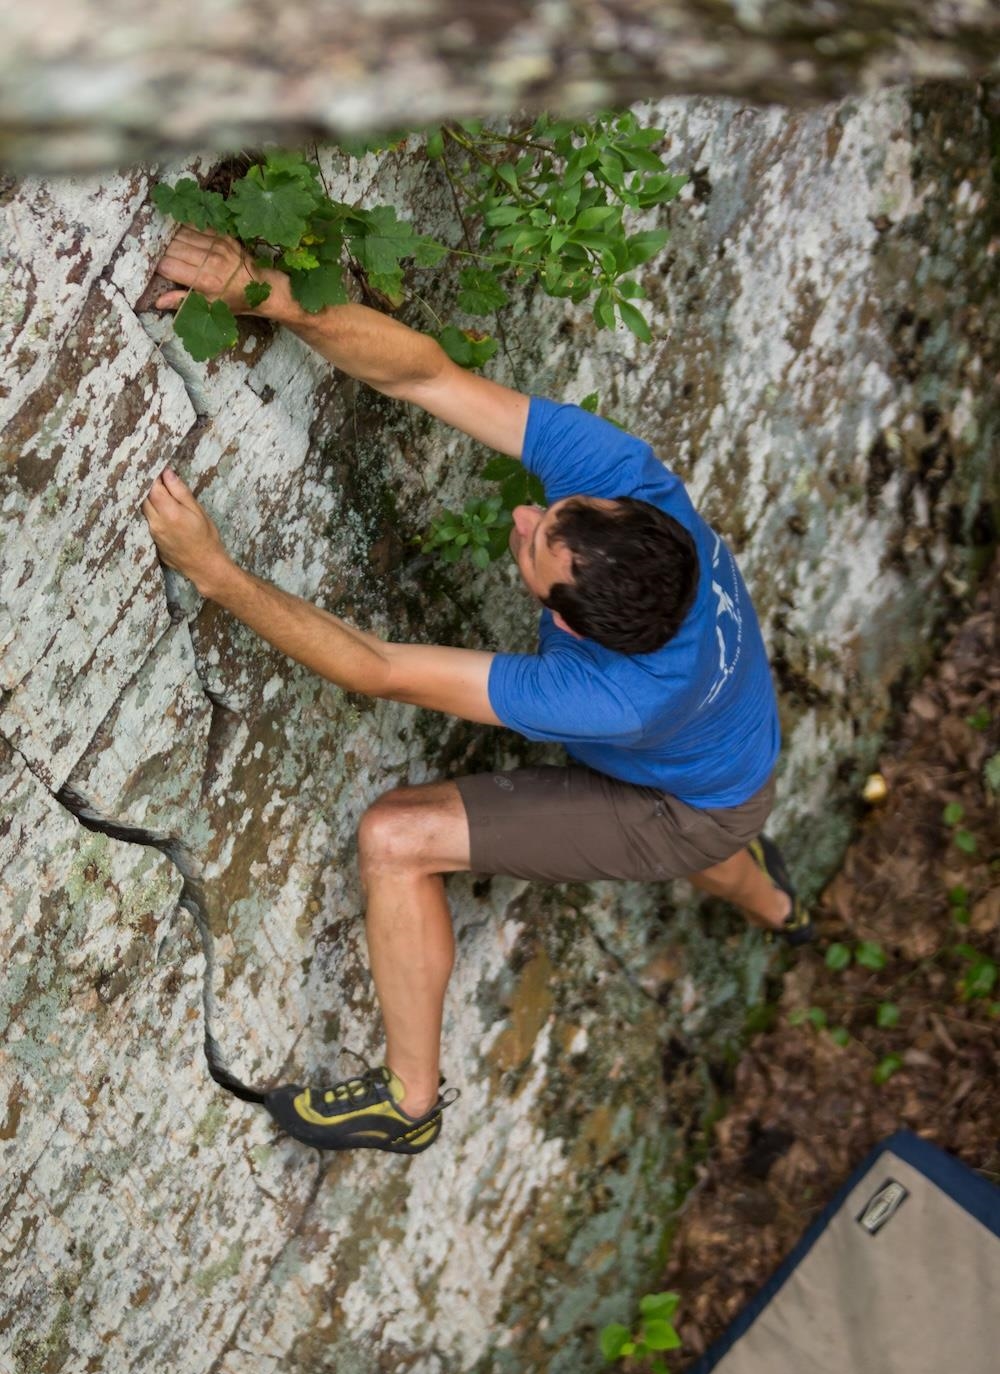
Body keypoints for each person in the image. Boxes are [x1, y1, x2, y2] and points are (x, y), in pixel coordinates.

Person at [143, 226, 813, 1157]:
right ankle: (782, 911)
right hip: (742, 759)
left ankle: (407, 1103)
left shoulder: (612, 697)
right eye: (558, 513)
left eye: (537, 543)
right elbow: (424, 376)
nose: (527, 512)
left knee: (397, 838)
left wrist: (216, 575)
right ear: (631, 514)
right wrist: (278, 298)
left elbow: (375, 668)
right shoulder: (630, 486)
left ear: (571, 631)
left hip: (691, 801)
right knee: (729, 824)